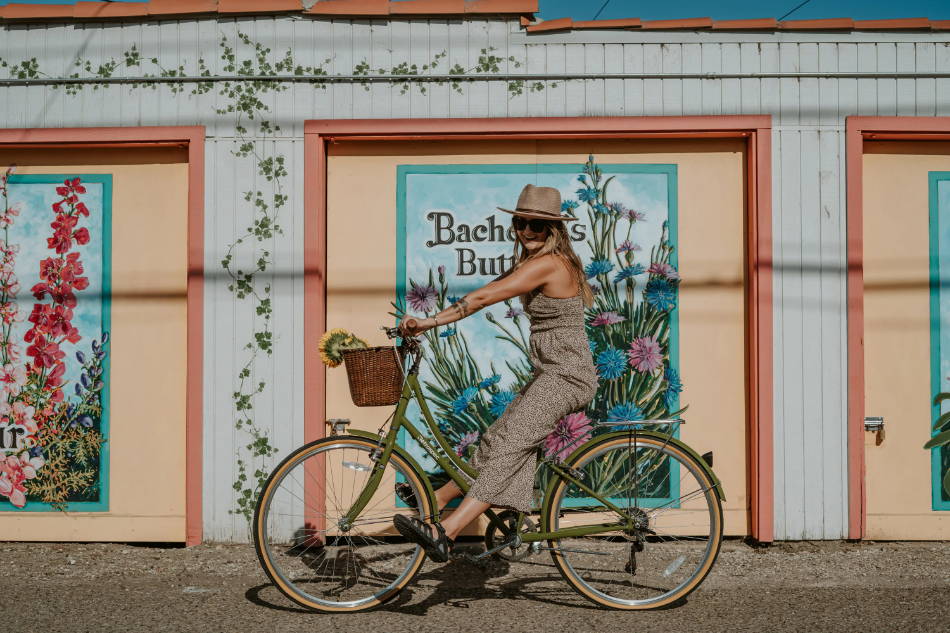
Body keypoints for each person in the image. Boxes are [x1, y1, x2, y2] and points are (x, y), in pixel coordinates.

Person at [393, 183, 599, 563]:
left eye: (536, 226)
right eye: (521, 223)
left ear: (554, 229)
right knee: (497, 439)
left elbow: (486, 298)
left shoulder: (550, 264)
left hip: (567, 376)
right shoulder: (533, 263)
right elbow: (489, 289)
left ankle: (447, 531)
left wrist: (428, 322)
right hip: (550, 373)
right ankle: (438, 499)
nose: (526, 232)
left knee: (511, 445)